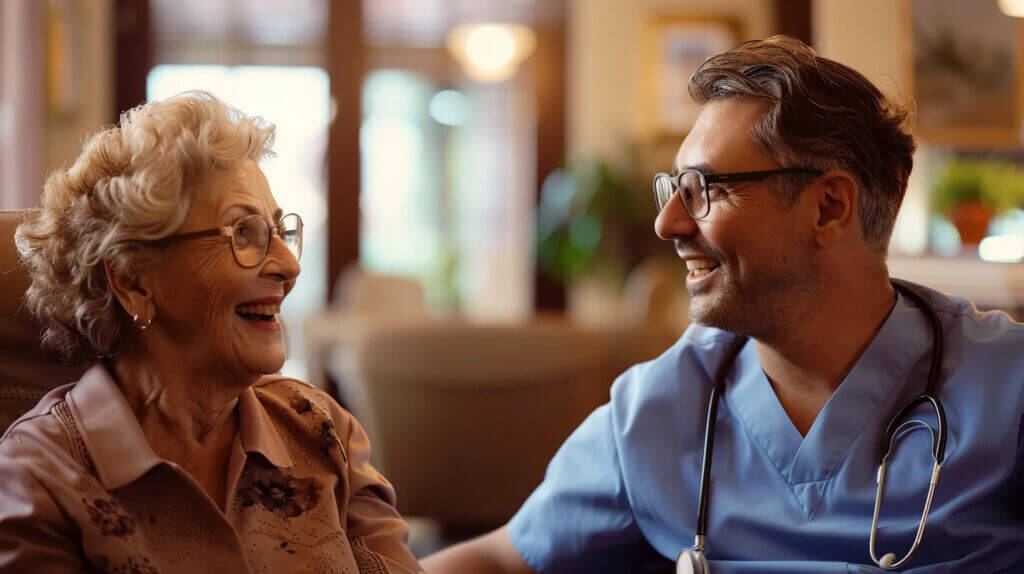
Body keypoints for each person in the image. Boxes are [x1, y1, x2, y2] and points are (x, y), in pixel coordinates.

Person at [423, 36, 1024, 573]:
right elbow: (503, 558)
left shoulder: (1008, 390)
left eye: (705, 189)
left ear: (829, 208)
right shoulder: (658, 409)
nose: (667, 223)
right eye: (673, 188)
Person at [0, 92, 421, 573]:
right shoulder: (37, 478)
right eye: (243, 233)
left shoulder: (321, 429)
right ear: (134, 281)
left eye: (280, 231)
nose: (289, 265)